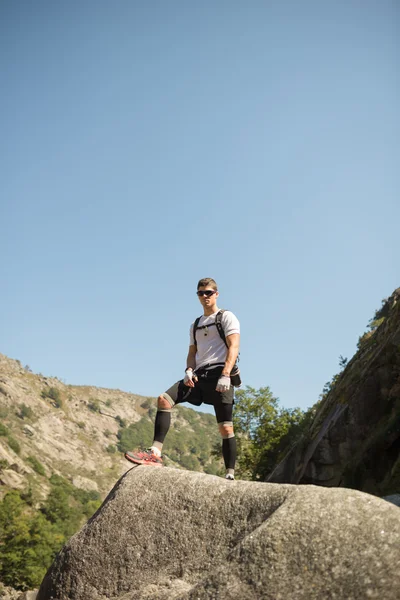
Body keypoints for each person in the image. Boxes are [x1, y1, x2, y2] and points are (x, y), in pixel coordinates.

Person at [125, 277, 240, 480]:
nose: (205, 296)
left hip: (220, 376)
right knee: (164, 400)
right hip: (199, 376)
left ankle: (230, 473)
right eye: (201, 293)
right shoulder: (195, 324)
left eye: (209, 293)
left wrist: (225, 374)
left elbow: (234, 346)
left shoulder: (227, 317)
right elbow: (192, 352)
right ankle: (155, 453)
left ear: (216, 294)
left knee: (225, 427)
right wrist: (188, 370)